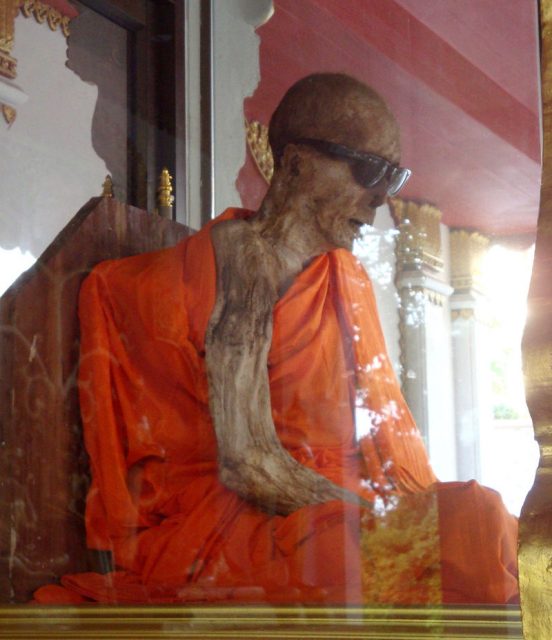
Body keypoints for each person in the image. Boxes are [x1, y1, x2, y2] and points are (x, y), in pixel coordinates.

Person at [34, 73, 518, 605]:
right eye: (368, 171)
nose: (380, 199)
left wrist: (393, 513)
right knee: (477, 524)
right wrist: (382, 520)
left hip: (330, 514)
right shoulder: (246, 258)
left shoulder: (344, 277)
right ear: (294, 164)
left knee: (488, 525)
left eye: (393, 178)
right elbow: (249, 462)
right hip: (249, 526)